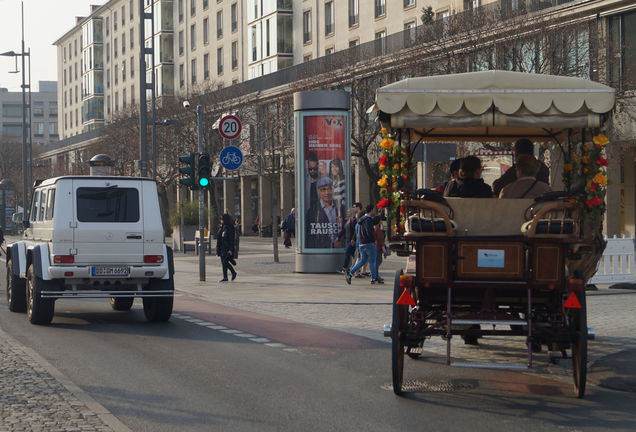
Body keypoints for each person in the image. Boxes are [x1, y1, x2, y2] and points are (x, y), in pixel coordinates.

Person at [305, 177, 346, 248]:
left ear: (333, 190)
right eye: (323, 189)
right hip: (320, 248)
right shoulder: (312, 211)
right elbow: (309, 235)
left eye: (329, 189)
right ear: (318, 191)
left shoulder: (341, 208)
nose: (327, 193)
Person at [346, 204, 381, 285]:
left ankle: (350, 273)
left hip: (361, 243)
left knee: (363, 260)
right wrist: (373, 240)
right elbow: (369, 232)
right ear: (371, 210)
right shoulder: (368, 220)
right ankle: (374, 279)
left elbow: (358, 231)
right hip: (369, 243)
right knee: (373, 260)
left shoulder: (361, 219)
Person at [216, 213, 237, 282]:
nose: (221, 221)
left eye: (222, 219)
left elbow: (231, 239)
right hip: (222, 248)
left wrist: (231, 249)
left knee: (225, 261)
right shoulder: (222, 227)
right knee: (223, 263)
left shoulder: (230, 228)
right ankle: (225, 277)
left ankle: (233, 272)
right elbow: (219, 238)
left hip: (227, 248)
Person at [337, 207, 357, 274]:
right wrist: (338, 237)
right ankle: (357, 269)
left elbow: (355, 231)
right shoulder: (346, 220)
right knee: (354, 255)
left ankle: (344, 268)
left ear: (351, 213)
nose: (347, 213)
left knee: (347, 253)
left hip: (352, 240)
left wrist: (354, 239)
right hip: (347, 240)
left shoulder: (354, 220)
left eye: (348, 212)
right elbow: (343, 230)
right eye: (347, 212)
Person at [373, 216, 387, 284]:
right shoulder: (377, 229)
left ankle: (376, 275)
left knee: (377, 262)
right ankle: (376, 276)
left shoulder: (374, 228)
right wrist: (383, 247)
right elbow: (380, 239)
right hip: (378, 248)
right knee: (378, 261)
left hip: (375, 247)